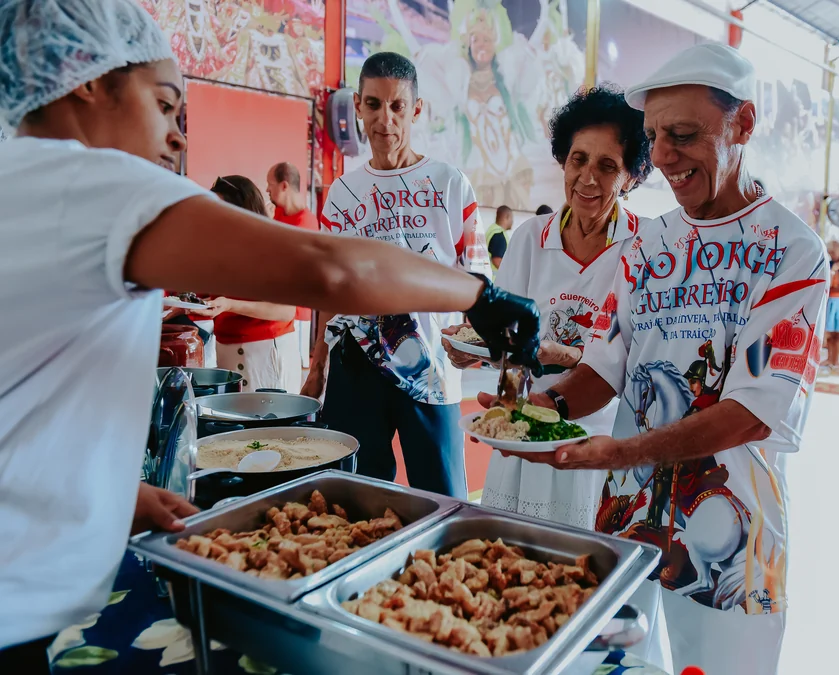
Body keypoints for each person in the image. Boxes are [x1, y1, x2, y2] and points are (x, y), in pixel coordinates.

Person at [0, 2, 540, 667]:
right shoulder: (84, 179)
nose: (175, 139)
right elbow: (329, 269)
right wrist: (481, 296)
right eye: (166, 106)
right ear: (87, 80)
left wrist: (112, 493)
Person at [485, 44, 830, 675]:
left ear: (744, 124)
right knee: (611, 665)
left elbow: (756, 413)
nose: (665, 155)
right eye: (654, 137)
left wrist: (619, 453)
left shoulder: (793, 252)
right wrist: (539, 411)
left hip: (731, 530)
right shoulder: (648, 248)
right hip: (626, 520)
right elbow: (603, 370)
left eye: (684, 134)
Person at [443, 84, 652, 530]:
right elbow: (511, 341)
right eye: (578, 159)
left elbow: (636, 358)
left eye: (608, 166)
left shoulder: (647, 246)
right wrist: (478, 349)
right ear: (563, 159)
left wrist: (566, 356)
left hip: (599, 439)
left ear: (631, 176)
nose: (588, 178)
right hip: (527, 428)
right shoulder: (529, 238)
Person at [302, 52, 492, 499]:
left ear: (416, 109)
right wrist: (317, 366)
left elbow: (477, 280)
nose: (384, 119)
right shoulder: (343, 193)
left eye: (397, 106)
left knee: (443, 499)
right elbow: (330, 287)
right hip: (355, 365)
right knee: (352, 497)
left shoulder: (450, 184)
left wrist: (473, 343)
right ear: (358, 106)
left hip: (432, 366)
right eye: (373, 105)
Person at [202, 175, 302, 392]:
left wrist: (230, 305)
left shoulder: (271, 246)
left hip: (265, 354)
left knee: (271, 423)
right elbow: (218, 298)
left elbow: (285, 311)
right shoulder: (221, 248)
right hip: (226, 352)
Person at [267, 162, 319, 368]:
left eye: (270, 184)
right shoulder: (277, 214)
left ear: (284, 186)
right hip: (274, 307)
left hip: (296, 312)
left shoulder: (306, 223)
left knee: (293, 368)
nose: (267, 190)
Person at [486, 204, 513, 276]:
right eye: (511, 218)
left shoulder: (492, 229)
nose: (512, 221)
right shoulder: (499, 235)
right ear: (507, 217)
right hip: (495, 281)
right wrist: (510, 274)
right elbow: (497, 260)